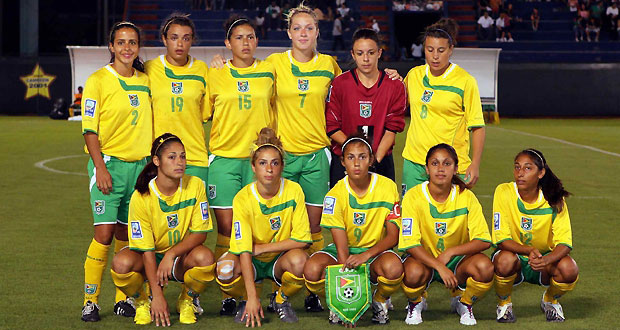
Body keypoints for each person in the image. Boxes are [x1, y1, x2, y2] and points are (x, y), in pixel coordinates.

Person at [80, 21, 152, 322]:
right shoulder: (98, 80)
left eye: (132, 43)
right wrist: (100, 167)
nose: (126, 48)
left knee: (127, 235)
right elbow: (89, 129)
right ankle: (90, 300)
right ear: (111, 46)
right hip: (109, 165)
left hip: (140, 169)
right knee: (104, 234)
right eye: (121, 42)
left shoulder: (146, 81)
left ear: (138, 47)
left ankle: (123, 299)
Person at [207, 14, 277, 316]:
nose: (245, 42)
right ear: (227, 43)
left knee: (260, 228)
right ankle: (228, 291)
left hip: (258, 162)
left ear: (257, 41)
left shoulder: (270, 71)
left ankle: (265, 292)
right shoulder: (215, 74)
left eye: (250, 37)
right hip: (223, 160)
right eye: (238, 38)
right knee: (227, 230)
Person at [110, 133, 215, 325]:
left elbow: (200, 233)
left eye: (182, 156)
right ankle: (142, 302)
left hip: (179, 257)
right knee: (121, 264)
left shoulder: (196, 185)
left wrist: (171, 254)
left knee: (206, 259)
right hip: (149, 257)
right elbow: (147, 250)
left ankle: (187, 299)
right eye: (172, 157)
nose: (180, 162)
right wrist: (157, 296)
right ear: (157, 161)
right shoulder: (141, 197)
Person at [216, 128, 312, 327]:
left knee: (302, 262)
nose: (269, 169)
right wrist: (251, 298)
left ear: (282, 166)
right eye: (262, 163)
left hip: (279, 259)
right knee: (224, 270)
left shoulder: (294, 191)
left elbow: (302, 239)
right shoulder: (242, 198)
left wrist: (262, 248)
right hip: (250, 259)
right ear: (253, 166)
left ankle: (280, 299)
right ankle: (245, 300)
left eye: (275, 163)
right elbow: (243, 249)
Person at [303, 134, 403, 326]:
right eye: (351, 157)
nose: (356, 163)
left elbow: (393, 236)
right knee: (312, 270)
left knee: (394, 267)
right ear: (342, 162)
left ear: (371, 160)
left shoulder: (387, 187)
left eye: (362, 157)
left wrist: (366, 255)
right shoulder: (334, 195)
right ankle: (336, 303)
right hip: (344, 251)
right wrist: (347, 305)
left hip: (374, 252)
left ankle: (378, 300)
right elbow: (342, 249)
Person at [399, 143, 493, 326]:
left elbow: (483, 240)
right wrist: (438, 266)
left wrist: (450, 253)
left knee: (484, 267)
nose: (440, 169)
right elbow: (409, 243)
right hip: (423, 260)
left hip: (456, 263)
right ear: (426, 169)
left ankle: (464, 303)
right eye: (435, 164)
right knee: (412, 271)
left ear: (456, 169)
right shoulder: (413, 196)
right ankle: (415, 302)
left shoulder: (466, 196)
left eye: (447, 164)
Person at [492, 149, 578, 323]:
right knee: (504, 260)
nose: (520, 173)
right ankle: (504, 304)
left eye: (527, 168)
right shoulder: (504, 191)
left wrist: (546, 260)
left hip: (543, 260)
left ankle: (550, 301)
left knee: (569, 269)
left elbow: (565, 243)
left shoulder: (555, 199)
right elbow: (501, 239)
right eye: (517, 167)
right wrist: (528, 250)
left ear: (541, 173)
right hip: (514, 256)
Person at [402, 18, 485, 194]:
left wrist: (475, 163)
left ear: (451, 50)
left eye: (441, 50)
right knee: (411, 217)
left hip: (449, 164)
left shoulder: (465, 81)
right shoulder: (414, 75)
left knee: (450, 220)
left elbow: (477, 127)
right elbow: (396, 105)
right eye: (430, 50)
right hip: (414, 162)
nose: (435, 56)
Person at [326, 28, 406, 186]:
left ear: (379, 53)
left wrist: (372, 160)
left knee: (383, 210)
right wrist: (355, 156)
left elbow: (392, 130)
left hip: (380, 160)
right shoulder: (340, 84)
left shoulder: (394, 85)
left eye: (370, 52)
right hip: (345, 160)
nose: (366, 59)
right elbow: (332, 127)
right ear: (353, 54)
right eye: (360, 53)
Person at [145, 13, 210, 194]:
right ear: (164, 39)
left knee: (196, 219)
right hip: (159, 159)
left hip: (194, 158)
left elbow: (205, 113)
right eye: (174, 38)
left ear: (192, 41)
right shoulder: (149, 69)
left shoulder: (203, 70)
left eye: (186, 38)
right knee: (161, 218)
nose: (180, 44)